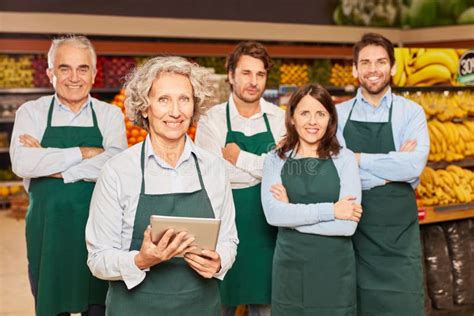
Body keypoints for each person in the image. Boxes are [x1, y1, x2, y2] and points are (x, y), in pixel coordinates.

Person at [86, 56, 238, 315]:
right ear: (145, 107)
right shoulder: (118, 171)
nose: (176, 112)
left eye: (184, 99)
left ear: (194, 106)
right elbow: (98, 258)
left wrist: (220, 260)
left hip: (199, 306)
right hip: (136, 307)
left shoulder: (214, 168)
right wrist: (140, 260)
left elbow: (229, 240)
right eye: (164, 99)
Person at [9, 35, 127, 315]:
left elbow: (115, 165)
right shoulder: (31, 112)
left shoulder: (110, 115)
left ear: (94, 74)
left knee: (98, 307)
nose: (74, 78)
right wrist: (84, 152)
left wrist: (51, 163)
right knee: (51, 306)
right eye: (64, 68)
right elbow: (23, 163)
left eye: (82, 68)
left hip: (99, 233)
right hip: (47, 232)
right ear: (51, 73)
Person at [337, 33, 429, 315]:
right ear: (354, 69)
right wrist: (391, 171)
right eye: (365, 62)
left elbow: (413, 166)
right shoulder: (337, 114)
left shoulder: (412, 113)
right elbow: (338, 171)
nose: (373, 69)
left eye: (380, 61)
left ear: (392, 67)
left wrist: (359, 159)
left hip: (399, 238)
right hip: (354, 235)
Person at [195, 41, 285, 315]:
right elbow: (212, 174)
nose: (253, 81)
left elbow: (285, 172)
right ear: (231, 75)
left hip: (267, 229)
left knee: (267, 307)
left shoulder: (280, 118)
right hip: (224, 224)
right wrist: (264, 168)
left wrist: (238, 158)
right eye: (246, 73)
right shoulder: (212, 120)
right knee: (220, 305)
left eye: (260, 74)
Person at [261, 84, 362, 316]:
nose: (312, 121)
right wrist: (332, 211)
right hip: (291, 271)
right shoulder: (275, 160)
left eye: (321, 113)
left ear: (330, 119)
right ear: (292, 117)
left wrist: (291, 214)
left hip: (334, 270)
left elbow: (347, 226)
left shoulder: (345, 159)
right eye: (304, 113)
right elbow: (273, 215)